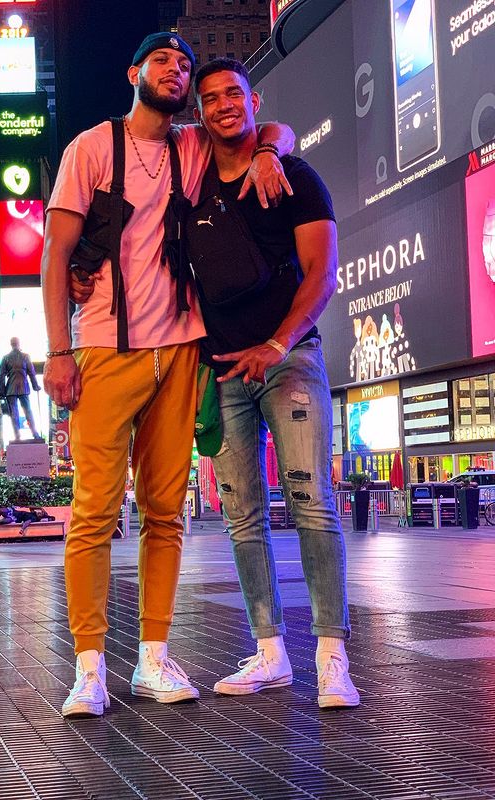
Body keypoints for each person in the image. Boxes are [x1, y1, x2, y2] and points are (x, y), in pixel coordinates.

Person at [42, 33, 295, 718]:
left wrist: (269, 152)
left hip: (182, 352)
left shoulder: (193, 145)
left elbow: (270, 127)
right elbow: (56, 251)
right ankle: (88, 668)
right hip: (104, 348)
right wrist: (57, 351)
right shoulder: (91, 147)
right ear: (134, 72)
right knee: (94, 511)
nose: (177, 72)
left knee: (165, 512)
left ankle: (152, 657)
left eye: (185, 65)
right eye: (163, 62)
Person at [187, 59, 359, 708]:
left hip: (290, 359)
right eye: (211, 99)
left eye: (234, 93)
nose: (224, 105)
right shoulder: (192, 184)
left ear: (252, 100)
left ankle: (332, 659)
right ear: (199, 114)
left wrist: (277, 343)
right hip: (222, 371)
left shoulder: (296, 177)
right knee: (242, 518)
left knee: (312, 501)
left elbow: (322, 275)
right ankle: (269, 654)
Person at [0, 337, 41, 440]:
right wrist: (35, 385)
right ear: (18, 343)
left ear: (11, 344)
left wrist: (1, 391)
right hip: (23, 387)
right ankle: (35, 433)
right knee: (28, 411)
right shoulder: (25, 356)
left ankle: (17, 436)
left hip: (10, 389)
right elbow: (31, 372)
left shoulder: (6, 358)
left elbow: (1, 376)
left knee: (14, 413)